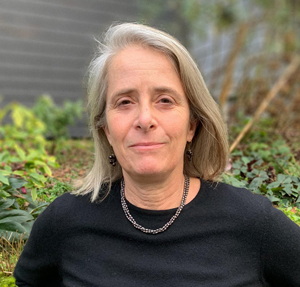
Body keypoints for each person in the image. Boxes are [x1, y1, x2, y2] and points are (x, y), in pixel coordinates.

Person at [14, 23, 300, 287]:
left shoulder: (253, 224)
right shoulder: (63, 222)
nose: (145, 119)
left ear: (192, 125)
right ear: (106, 131)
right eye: (124, 102)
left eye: (165, 100)